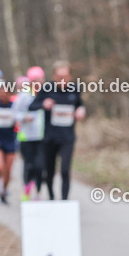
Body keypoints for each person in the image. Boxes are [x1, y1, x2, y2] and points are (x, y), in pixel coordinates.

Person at [30, 61, 84, 200]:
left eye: (65, 76)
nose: (62, 80)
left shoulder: (75, 89)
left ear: (70, 76)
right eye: (59, 76)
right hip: (50, 138)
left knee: (65, 170)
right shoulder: (46, 89)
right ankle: (52, 197)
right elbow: (32, 106)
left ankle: (65, 201)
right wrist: (43, 104)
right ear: (54, 76)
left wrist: (80, 111)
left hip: (67, 138)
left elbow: (80, 105)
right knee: (49, 171)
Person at [14, 69, 45, 200]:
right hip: (26, 136)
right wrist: (24, 117)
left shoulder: (46, 93)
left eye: (41, 79)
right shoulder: (24, 95)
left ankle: (38, 191)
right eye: (35, 80)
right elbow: (14, 113)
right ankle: (26, 190)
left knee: (40, 165)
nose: (39, 82)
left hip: (42, 136)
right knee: (28, 164)